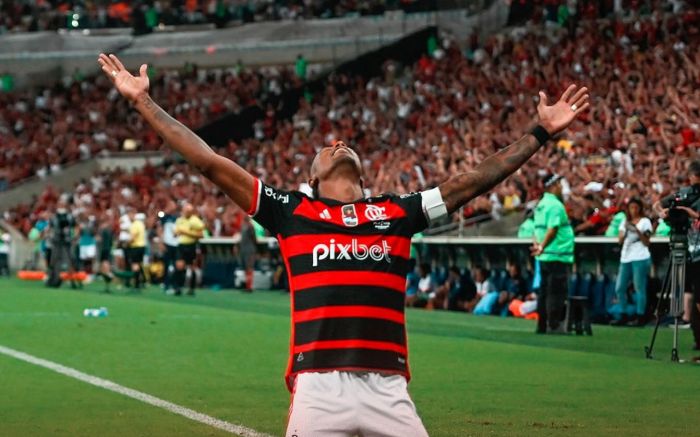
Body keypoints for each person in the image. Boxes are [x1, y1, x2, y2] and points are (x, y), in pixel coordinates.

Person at [98, 52, 588, 436]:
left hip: (388, 383)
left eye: (346, 145)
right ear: (310, 177)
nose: (337, 142)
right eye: (326, 147)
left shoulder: (396, 213)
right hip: (318, 384)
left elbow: (472, 181)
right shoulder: (290, 211)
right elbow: (207, 160)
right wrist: (142, 102)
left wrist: (539, 132)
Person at [654, 159, 700, 351]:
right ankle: (698, 338)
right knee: (693, 294)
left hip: (696, 251)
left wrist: (691, 213)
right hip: (691, 249)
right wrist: (664, 213)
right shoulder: (684, 193)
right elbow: (658, 205)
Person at [531, 174, 575, 334]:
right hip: (557, 253)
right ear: (553, 186)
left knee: (544, 292)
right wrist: (542, 246)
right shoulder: (556, 205)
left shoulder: (541, 204)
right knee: (556, 292)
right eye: (559, 184)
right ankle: (554, 325)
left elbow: (536, 229)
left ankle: (541, 325)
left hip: (544, 255)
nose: (561, 187)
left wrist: (538, 246)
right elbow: (553, 228)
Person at [610, 198, 652, 327]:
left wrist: (637, 231)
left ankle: (640, 315)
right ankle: (623, 313)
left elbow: (647, 241)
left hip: (640, 255)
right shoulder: (624, 222)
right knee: (620, 287)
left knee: (639, 287)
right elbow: (620, 240)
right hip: (626, 256)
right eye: (631, 207)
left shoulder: (645, 222)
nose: (633, 210)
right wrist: (627, 230)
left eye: (635, 207)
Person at [47, 199, 79, 288]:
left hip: (67, 241)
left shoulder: (69, 217)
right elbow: (50, 228)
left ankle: (72, 280)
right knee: (55, 260)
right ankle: (54, 279)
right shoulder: (54, 217)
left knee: (69, 261)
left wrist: (75, 237)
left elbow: (76, 226)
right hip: (57, 241)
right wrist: (49, 236)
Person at [174, 202, 204, 296]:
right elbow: (176, 233)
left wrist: (186, 233)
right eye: (185, 210)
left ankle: (191, 288)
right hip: (181, 245)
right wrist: (177, 233)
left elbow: (201, 235)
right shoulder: (179, 220)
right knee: (179, 266)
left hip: (191, 245)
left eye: (189, 211)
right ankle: (178, 287)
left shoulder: (195, 221)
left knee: (192, 267)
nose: (186, 212)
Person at [158, 200, 179, 294]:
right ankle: (166, 284)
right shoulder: (165, 217)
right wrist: (161, 242)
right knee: (166, 265)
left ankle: (175, 285)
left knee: (176, 266)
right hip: (167, 243)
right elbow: (160, 230)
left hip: (176, 244)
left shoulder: (178, 217)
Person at [128, 211, 147, 290]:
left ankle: (136, 284)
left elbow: (133, 237)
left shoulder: (134, 225)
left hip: (136, 246)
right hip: (142, 246)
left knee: (135, 265)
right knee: (139, 264)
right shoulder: (141, 224)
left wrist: (126, 243)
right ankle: (143, 280)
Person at [239, 215, 258, 291]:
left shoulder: (248, 226)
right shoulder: (245, 226)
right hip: (246, 249)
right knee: (247, 267)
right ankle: (248, 285)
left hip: (248, 249)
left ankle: (249, 286)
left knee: (249, 267)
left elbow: (254, 238)